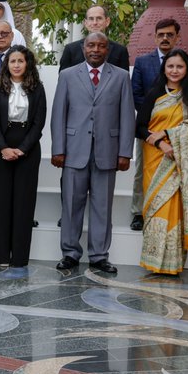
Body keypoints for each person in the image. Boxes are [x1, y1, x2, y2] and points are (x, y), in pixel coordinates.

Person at [51, 32, 135, 275]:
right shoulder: (67, 75)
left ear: (107, 50)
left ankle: (99, 256)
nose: (96, 49)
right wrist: (58, 149)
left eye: (101, 46)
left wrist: (125, 153)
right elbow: (59, 114)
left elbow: (127, 116)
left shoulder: (120, 77)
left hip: (107, 153)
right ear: (83, 48)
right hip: (73, 152)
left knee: (102, 207)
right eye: (91, 45)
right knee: (71, 205)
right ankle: (70, 253)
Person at [136, 49, 188, 276]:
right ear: (164, 68)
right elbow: (139, 127)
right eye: (170, 66)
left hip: (181, 163)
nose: (174, 71)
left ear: (187, 70)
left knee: (176, 210)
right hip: (156, 159)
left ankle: (172, 264)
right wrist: (162, 144)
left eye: (179, 67)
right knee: (156, 207)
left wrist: (167, 133)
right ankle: (152, 261)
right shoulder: (154, 93)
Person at [129, 18, 188, 230]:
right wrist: (157, 111)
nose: (165, 38)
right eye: (161, 34)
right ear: (155, 36)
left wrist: (171, 120)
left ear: (178, 37)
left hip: (177, 129)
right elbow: (136, 94)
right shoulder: (142, 62)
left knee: (177, 172)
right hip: (148, 128)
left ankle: (173, 213)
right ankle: (138, 212)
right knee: (142, 170)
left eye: (170, 34)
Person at [0, 45, 47, 272]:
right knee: (0, 202)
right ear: (7, 64)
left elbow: (38, 122)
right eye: (12, 61)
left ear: (27, 63)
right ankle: (1, 255)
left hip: (28, 148)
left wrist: (22, 148)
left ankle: (20, 257)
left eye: (20, 61)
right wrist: (3, 148)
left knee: (23, 203)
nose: (16, 65)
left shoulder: (37, 88)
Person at [58, 4, 130, 71]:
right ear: (86, 23)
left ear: (107, 21)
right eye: (91, 19)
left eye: (99, 18)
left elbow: (124, 81)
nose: (95, 22)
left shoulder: (120, 51)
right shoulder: (71, 50)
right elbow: (64, 80)